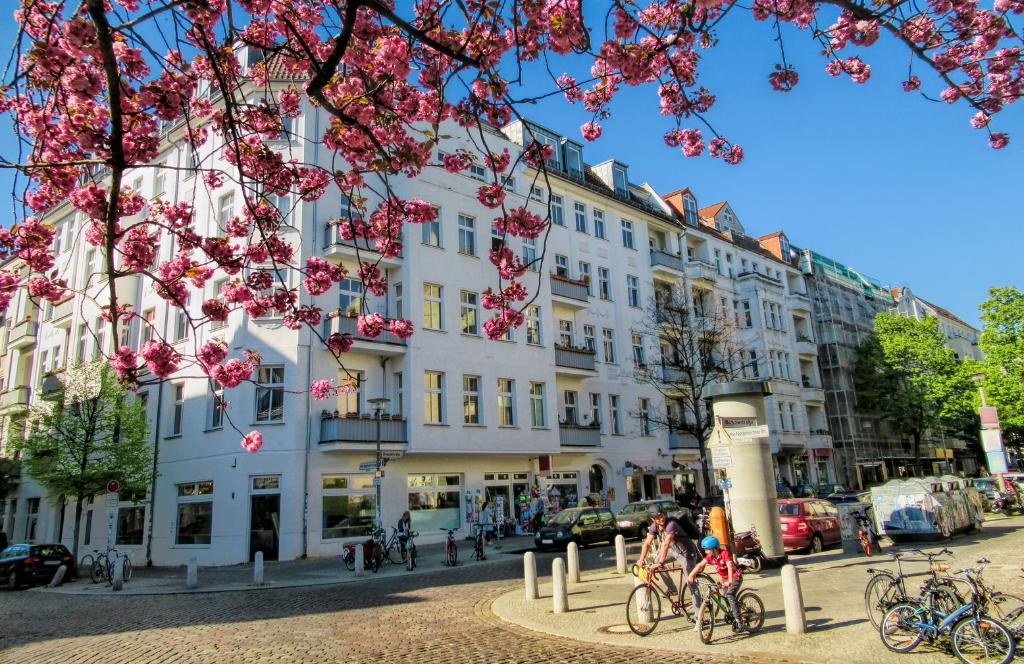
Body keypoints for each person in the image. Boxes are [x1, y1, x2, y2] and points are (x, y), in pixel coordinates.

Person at [637, 504, 702, 614]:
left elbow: (666, 544)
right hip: (674, 551)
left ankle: (699, 616)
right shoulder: (654, 526)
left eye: (662, 516)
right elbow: (647, 543)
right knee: (656, 561)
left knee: (691, 583)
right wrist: (641, 559)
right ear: (653, 519)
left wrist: (661, 562)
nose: (661, 519)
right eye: (657, 518)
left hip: (686, 553)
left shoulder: (671, 525)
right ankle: (672, 588)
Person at [688, 535, 744, 632]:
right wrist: (691, 575)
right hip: (725, 579)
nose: (706, 552)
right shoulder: (710, 557)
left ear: (714, 549)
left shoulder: (724, 554)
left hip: (735, 577)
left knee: (730, 595)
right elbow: (701, 565)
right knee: (725, 597)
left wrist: (730, 581)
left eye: (707, 550)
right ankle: (733, 611)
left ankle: (739, 621)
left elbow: (730, 567)